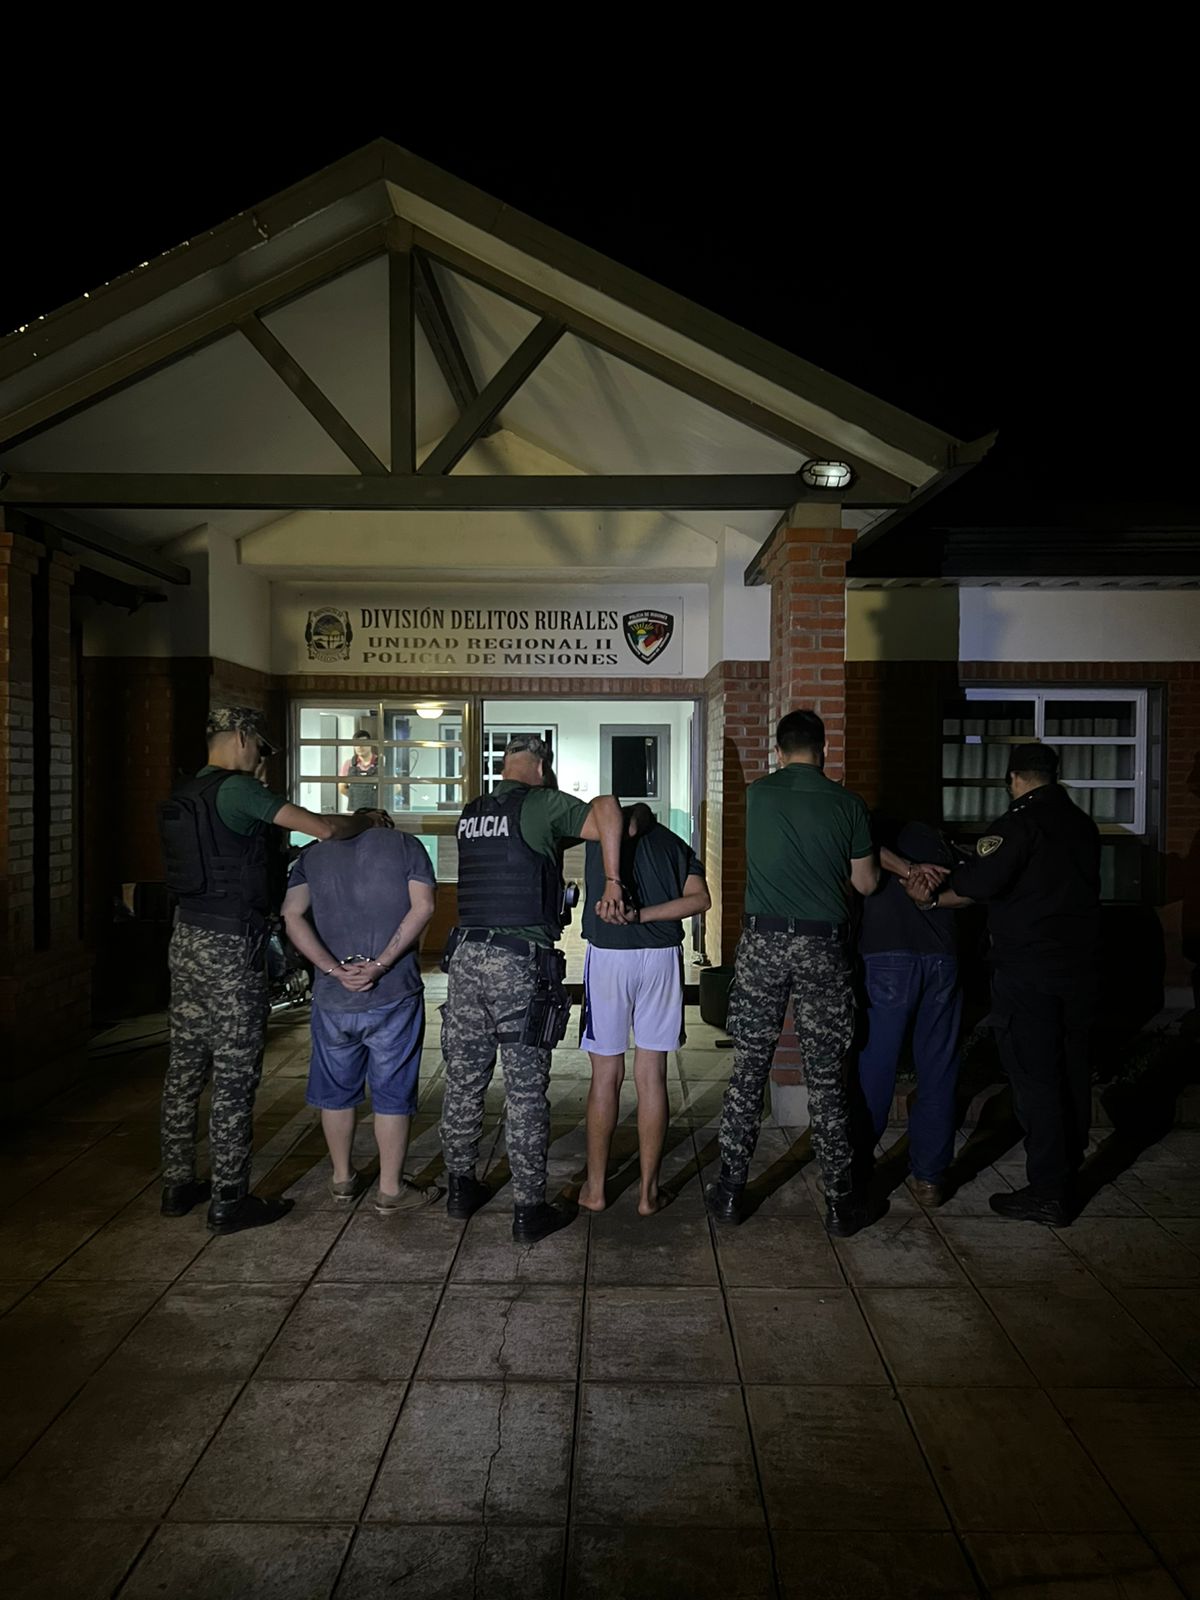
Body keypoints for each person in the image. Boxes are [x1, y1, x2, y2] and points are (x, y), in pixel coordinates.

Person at [157, 706, 370, 1236]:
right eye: (258, 746)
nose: (259, 758)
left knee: (185, 1068)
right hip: (231, 946)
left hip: (186, 937)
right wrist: (363, 821)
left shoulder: (188, 791)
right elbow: (322, 828)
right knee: (235, 1073)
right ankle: (230, 1198)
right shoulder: (238, 790)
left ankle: (177, 1184)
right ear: (241, 736)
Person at [905, 743, 1101, 1226]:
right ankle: (1067, 1172)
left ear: (1014, 779)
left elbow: (979, 884)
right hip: (1079, 968)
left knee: (1036, 1077)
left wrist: (931, 901)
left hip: (1029, 970)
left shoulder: (1019, 823)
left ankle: (1049, 1190)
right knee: (1072, 1069)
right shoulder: (1082, 823)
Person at [439, 735, 625, 1243]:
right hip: (517, 962)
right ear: (542, 767)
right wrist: (612, 880)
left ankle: (460, 1190)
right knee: (524, 1091)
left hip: (465, 958)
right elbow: (607, 809)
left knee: (464, 1080)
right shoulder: (541, 803)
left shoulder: (473, 812)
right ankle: (528, 1209)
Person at [707, 709, 881, 1237]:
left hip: (762, 942)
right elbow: (866, 883)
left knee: (748, 1068)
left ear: (778, 752)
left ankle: (730, 1191)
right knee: (826, 1077)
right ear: (822, 750)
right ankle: (840, 1203)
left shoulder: (757, 795)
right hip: (822, 945)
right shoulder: (848, 805)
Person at [282, 808, 441, 1213]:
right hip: (393, 992)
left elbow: (291, 915)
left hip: (334, 997)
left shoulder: (313, 855)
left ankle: (342, 1178)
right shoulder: (406, 846)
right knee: (392, 1091)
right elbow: (423, 907)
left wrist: (332, 970)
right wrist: (380, 964)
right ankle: (390, 1188)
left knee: (336, 1091)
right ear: (383, 823)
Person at [577, 803, 710, 1216]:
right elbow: (700, 899)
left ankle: (596, 1190)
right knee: (652, 1077)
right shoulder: (675, 844)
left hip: (608, 955)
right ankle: (648, 1195)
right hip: (661, 958)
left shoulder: (600, 840)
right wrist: (642, 916)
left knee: (606, 1076)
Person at [857, 819, 962, 1207]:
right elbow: (972, 891)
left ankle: (856, 1169)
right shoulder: (941, 844)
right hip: (941, 958)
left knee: (876, 1066)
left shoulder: (871, 838)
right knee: (939, 1069)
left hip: (886, 957)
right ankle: (930, 1179)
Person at [339, 733, 381, 810]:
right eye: (356, 744)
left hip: (376, 811)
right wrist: (355, 797)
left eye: (363, 743)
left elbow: (396, 787)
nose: (359, 747)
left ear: (370, 744)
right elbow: (341, 788)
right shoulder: (348, 764)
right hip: (356, 811)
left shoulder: (381, 763)